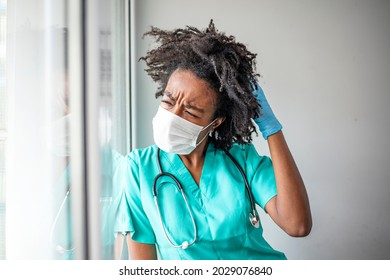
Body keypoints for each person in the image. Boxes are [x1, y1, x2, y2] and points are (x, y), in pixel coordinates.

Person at [113, 20, 312, 260]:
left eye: (191, 111)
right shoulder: (138, 169)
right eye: (168, 101)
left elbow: (297, 225)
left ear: (215, 122)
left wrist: (271, 129)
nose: (173, 116)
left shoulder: (242, 158)